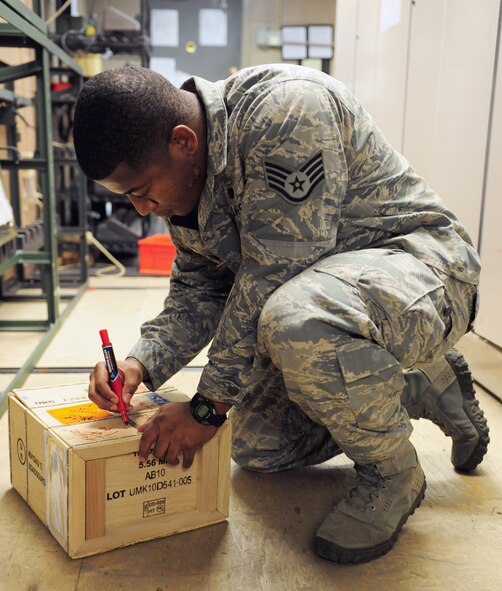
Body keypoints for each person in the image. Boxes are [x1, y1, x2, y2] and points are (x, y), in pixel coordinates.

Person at [73, 64, 489, 564]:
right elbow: (198, 291)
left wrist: (207, 408)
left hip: (425, 272)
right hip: (335, 302)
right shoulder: (188, 180)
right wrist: (140, 363)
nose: (140, 209)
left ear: (183, 141)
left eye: (141, 189)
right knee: (257, 447)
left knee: (292, 320)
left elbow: (272, 275)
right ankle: (415, 384)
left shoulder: (287, 111)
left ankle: (393, 471)